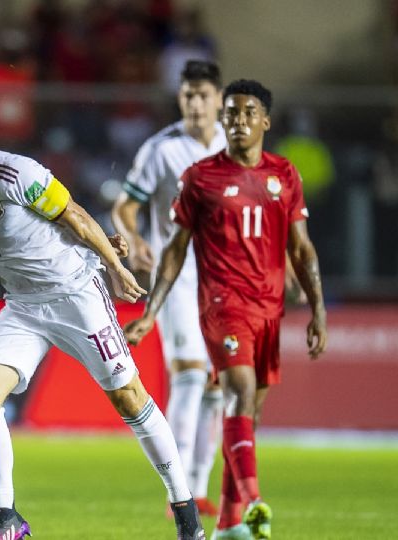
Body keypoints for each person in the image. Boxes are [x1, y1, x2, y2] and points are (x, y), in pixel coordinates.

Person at [0, 139, 206, 540]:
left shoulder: (11, 172)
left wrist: (113, 266)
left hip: (77, 295)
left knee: (130, 398)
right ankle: (6, 518)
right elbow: (10, 242)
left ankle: (185, 512)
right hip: (23, 307)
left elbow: (71, 213)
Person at [123, 80, 328, 540]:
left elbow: (302, 248)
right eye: (230, 113)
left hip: (268, 311)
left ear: (265, 122)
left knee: (248, 414)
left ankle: (230, 524)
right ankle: (254, 499)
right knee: (236, 391)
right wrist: (152, 311)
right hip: (221, 307)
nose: (237, 121)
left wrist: (318, 308)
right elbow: (175, 250)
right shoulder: (200, 177)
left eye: (247, 113)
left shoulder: (285, 175)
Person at [111, 59, 226, 517]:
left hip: (225, 278)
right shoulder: (161, 148)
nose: (195, 103)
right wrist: (135, 238)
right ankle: (178, 491)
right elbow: (125, 205)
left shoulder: (232, 144)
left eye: (203, 95)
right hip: (176, 276)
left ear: (219, 99)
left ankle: (199, 486)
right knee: (191, 373)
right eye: (187, 96)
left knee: (218, 386)